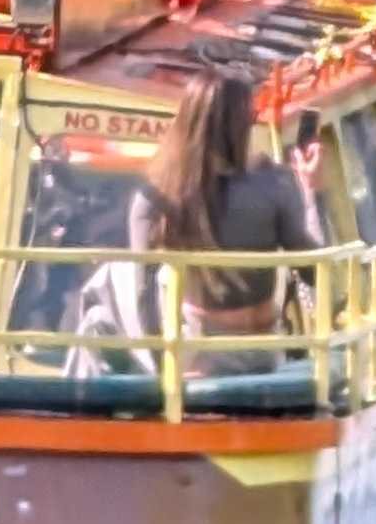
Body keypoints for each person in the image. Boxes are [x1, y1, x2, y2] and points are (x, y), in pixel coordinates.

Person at [134, 66, 319, 355]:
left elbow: (143, 294)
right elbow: (314, 270)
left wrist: (165, 371)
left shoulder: (155, 194)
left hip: (194, 358)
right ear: (238, 126)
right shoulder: (274, 183)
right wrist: (307, 190)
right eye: (252, 118)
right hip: (265, 354)